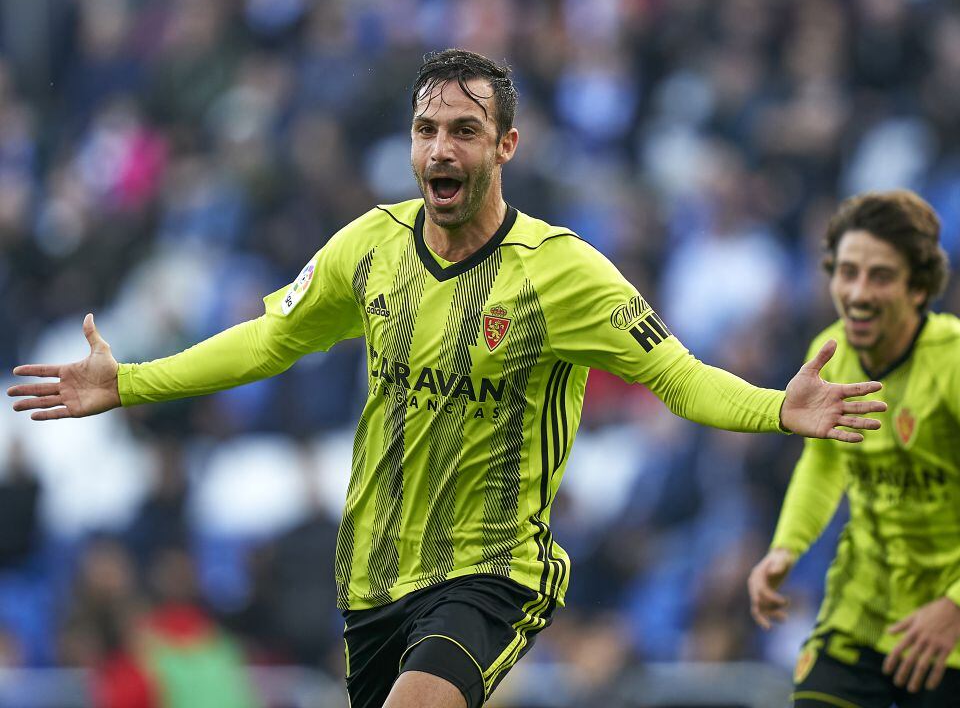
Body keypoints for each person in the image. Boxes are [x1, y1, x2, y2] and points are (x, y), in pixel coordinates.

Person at [10, 49, 887, 708]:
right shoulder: (371, 247)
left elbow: (683, 380)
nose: (441, 146)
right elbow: (267, 342)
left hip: (494, 568)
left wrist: (779, 408)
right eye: (427, 129)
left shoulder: (564, 274)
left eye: (464, 129)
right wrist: (130, 382)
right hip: (373, 580)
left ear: (505, 144)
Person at [747, 190, 960, 708]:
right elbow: (824, 462)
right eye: (847, 271)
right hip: (859, 612)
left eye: (880, 276)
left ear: (919, 287)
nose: (857, 291)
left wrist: (958, 605)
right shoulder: (828, 354)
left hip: (957, 638)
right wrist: (786, 547)